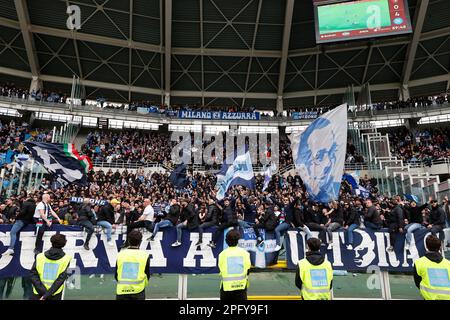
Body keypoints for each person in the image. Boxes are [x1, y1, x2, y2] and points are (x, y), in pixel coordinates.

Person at [30, 233, 72, 300]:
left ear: (51, 242)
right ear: (64, 244)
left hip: (38, 293)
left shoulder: (40, 256)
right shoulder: (66, 259)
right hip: (54, 294)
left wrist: (44, 293)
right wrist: (47, 294)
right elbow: (60, 279)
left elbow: (33, 275)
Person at [115, 230, 150, 300]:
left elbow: (116, 275)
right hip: (138, 291)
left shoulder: (120, 254)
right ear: (140, 242)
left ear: (128, 241)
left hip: (122, 291)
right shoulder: (145, 255)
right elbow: (147, 275)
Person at [413, 235, 450, 300]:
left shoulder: (419, 263)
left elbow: (418, 282)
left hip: (428, 297)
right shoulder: (448, 263)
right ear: (440, 247)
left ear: (426, 246)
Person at [218, 229, 251, 301]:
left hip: (226, 288)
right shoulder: (245, 253)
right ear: (237, 241)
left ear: (226, 241)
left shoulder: (222, 254)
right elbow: (248, 268)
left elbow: (220, 269)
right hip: (241, 287)